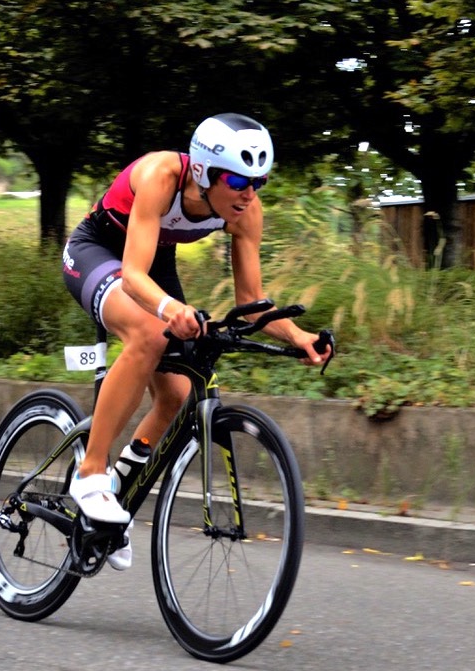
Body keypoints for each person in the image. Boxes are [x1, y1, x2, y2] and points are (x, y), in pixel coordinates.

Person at [61, 113, 328, 570]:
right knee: (148, 333)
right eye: (238, 180)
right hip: (98, 252)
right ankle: (90, 475)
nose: (248, 193)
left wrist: (299, 336)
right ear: (204, 172)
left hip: (153, 261)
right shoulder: (161, 175)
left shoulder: (245, 211)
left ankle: (116, 498)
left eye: (258, 182)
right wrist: (170, 310)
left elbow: (254, 304)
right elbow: (133, 276)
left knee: (180, 395)